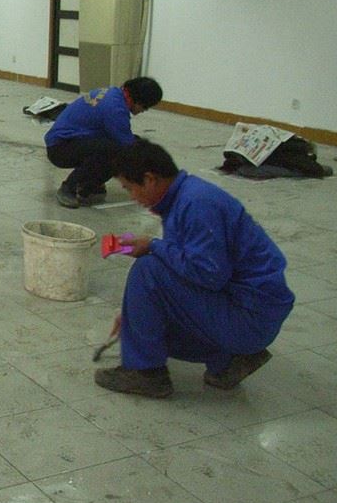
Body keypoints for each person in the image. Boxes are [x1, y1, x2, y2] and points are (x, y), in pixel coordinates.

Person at [94, 140, 294, 398]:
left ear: (150, 179)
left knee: (148, 269)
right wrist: (134, 316)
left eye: (130, 188)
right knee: (148, 324)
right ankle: (229, 361)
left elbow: (209, 274)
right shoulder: (183, 199)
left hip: (249, 316)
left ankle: (146, 374)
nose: (132, 197)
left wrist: (153, 245)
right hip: (245, 308)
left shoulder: (197, 204)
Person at [44, 77, 163, 207]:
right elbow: (128, 145)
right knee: (117, 150)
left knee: (119, 146)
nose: (144, 111)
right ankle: (69, 187)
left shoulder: (113, 94)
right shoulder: (115, 108)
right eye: (145, 107)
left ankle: (89, 186)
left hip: (67, 141)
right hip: (61, 148)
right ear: (139, 100)